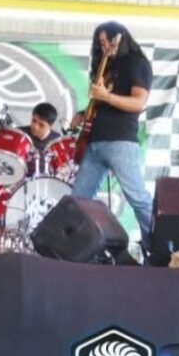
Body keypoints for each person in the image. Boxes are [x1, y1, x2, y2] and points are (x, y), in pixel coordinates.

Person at [70, 22, 154, 253]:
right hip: (95, 142)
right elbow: (101, 103)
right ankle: (71, 251)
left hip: (120, 142)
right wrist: (83, 114)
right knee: (77, 200)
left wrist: (106, 96)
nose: (106, 46)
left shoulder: (136, 63)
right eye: (101, 43)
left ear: (121, 38)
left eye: (109, 41)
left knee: (138, 198)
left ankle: (160, 249)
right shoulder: (106, 66)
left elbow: (138, 103)